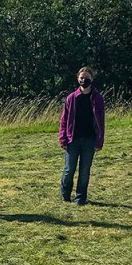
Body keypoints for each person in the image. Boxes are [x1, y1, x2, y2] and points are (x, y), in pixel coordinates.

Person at [58, 66, 105, 205]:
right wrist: (63, 138)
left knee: (84, 171)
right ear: (78, 79)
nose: (84, 80)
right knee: (69, 169)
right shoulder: (71, 98)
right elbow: (64, 120)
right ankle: (65, 194)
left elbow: (101, 122)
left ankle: (80, 198)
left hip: (89, 140)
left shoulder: (97, 98)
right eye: (81, 78)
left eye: (87, 78)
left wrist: (99, 141)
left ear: (92, 79)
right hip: (72, 139)